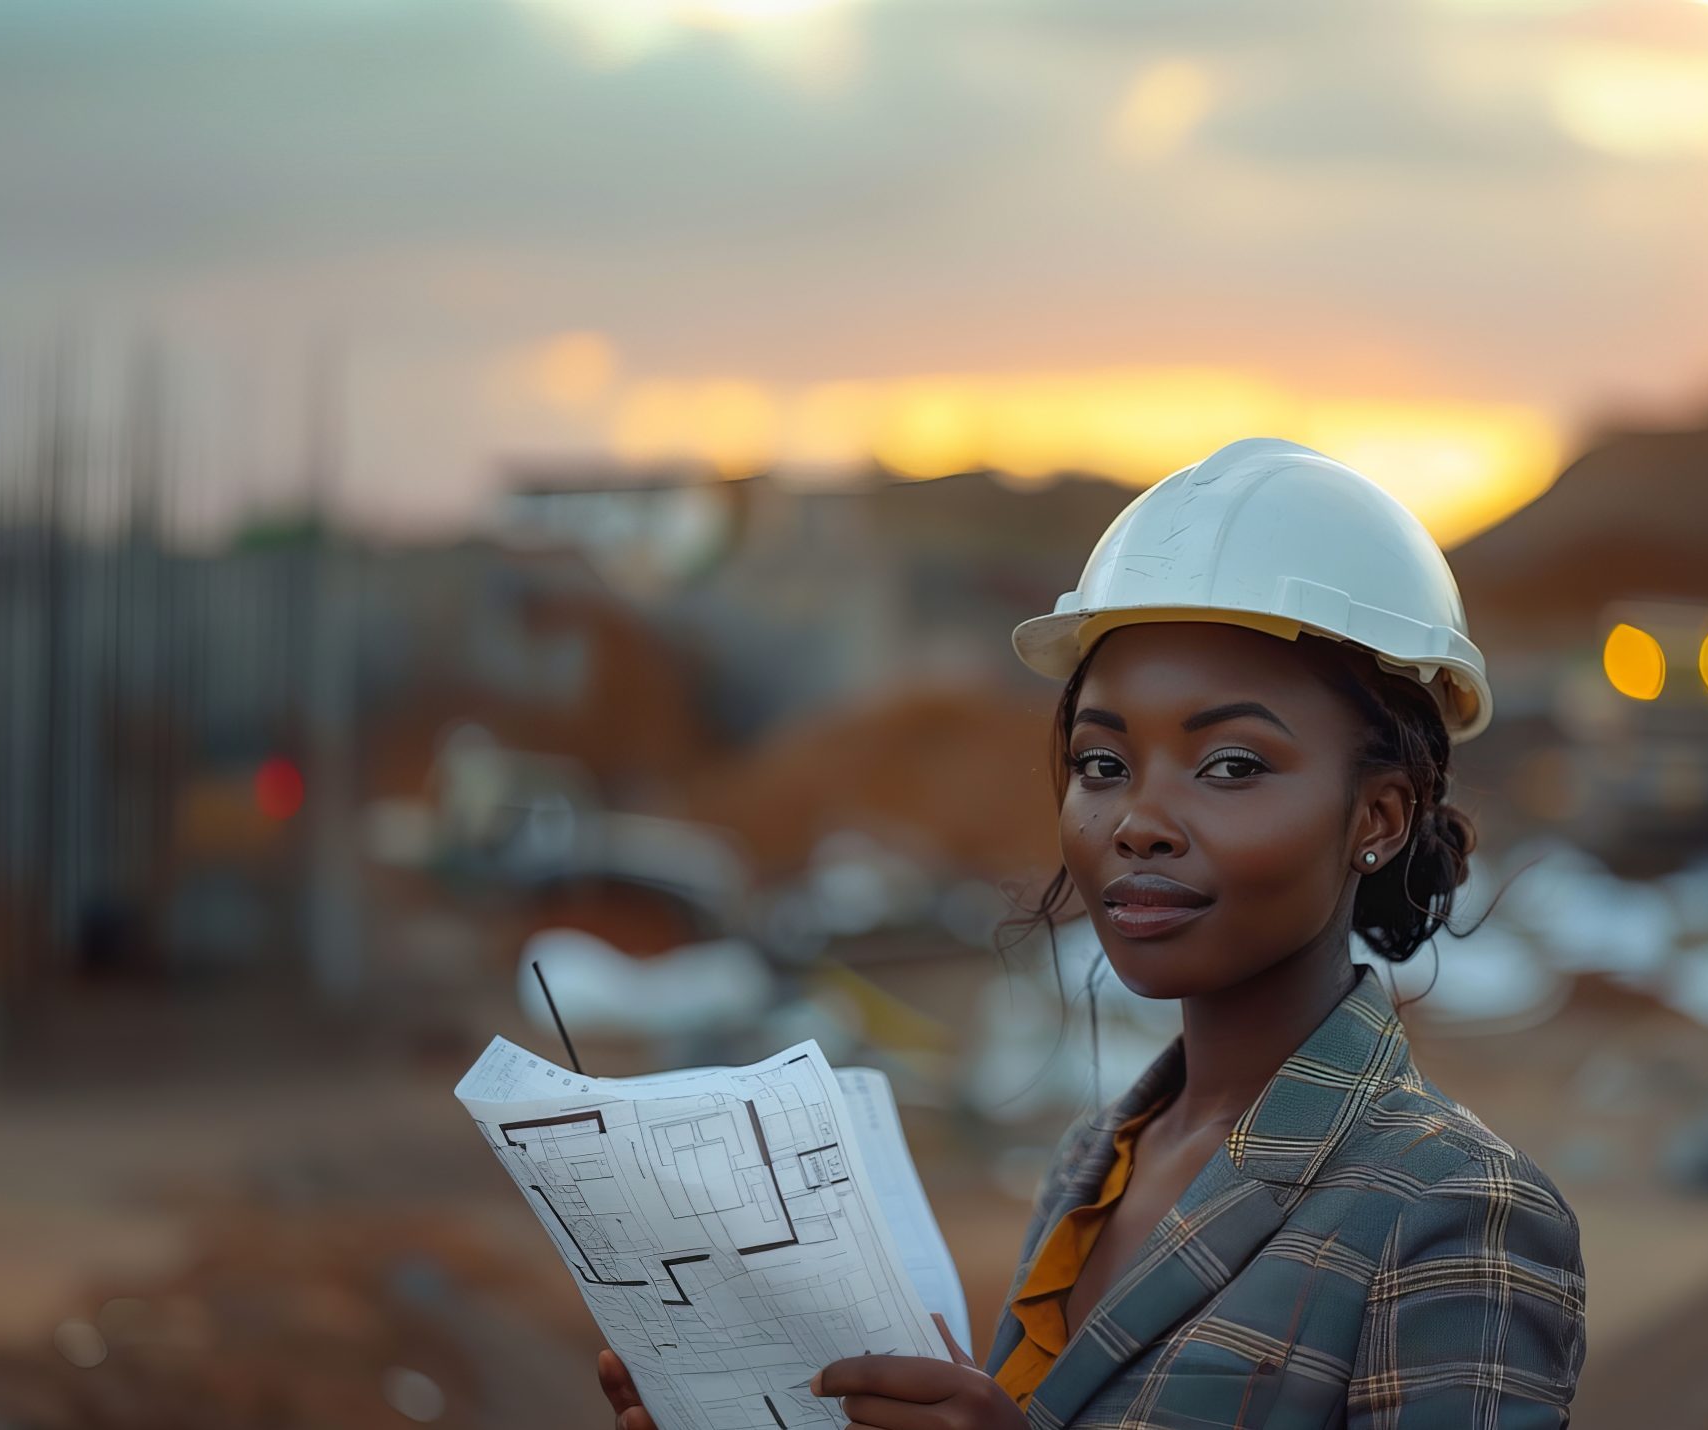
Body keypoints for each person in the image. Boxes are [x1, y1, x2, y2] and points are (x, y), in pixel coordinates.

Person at [598, 437, 1586, 1428]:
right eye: (1104, 763)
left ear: (1379, 816)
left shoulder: (1457, 1211)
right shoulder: (1094, 1161)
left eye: (1233, 764)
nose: (1135, 820)